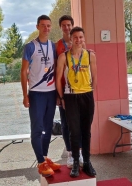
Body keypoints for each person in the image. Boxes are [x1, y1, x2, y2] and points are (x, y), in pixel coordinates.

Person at [20, 15, 61, 177]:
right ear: (37, 27)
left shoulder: (53, 46)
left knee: (47, 128)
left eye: (49, 26)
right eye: (43, 25)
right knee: (37, 129)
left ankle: (44, 158)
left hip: (50, 93)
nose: (46, 28)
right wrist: (25, 94)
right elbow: (23, 72)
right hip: (36, 94)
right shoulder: (30, 46)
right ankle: (40, 162)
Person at [56, 26, 97, 177]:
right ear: (71, 40)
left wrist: (91, 92)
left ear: (83, 39)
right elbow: (58, 79)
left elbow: (95, 76)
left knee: (86, 131)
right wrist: (61, 98)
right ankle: (75, 163)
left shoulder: (90, 56)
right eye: (75, 38)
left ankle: (86, 162)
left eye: (81, 37)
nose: (78, 40)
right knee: (74, 132)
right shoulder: (64, 57)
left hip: (87, 96)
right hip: (71, 96)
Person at [55, 15, 83, 168]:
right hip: (63, 91)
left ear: (72, 26)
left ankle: (79, 152)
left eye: (69, 25)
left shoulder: (79, 44)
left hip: (78, 91)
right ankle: (70, 154)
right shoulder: (57, 46)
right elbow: (55, 71)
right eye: (64, 25)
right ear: (61, 27)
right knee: (66, 124)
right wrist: (58, 95)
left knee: (78, 123)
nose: (67, 28)